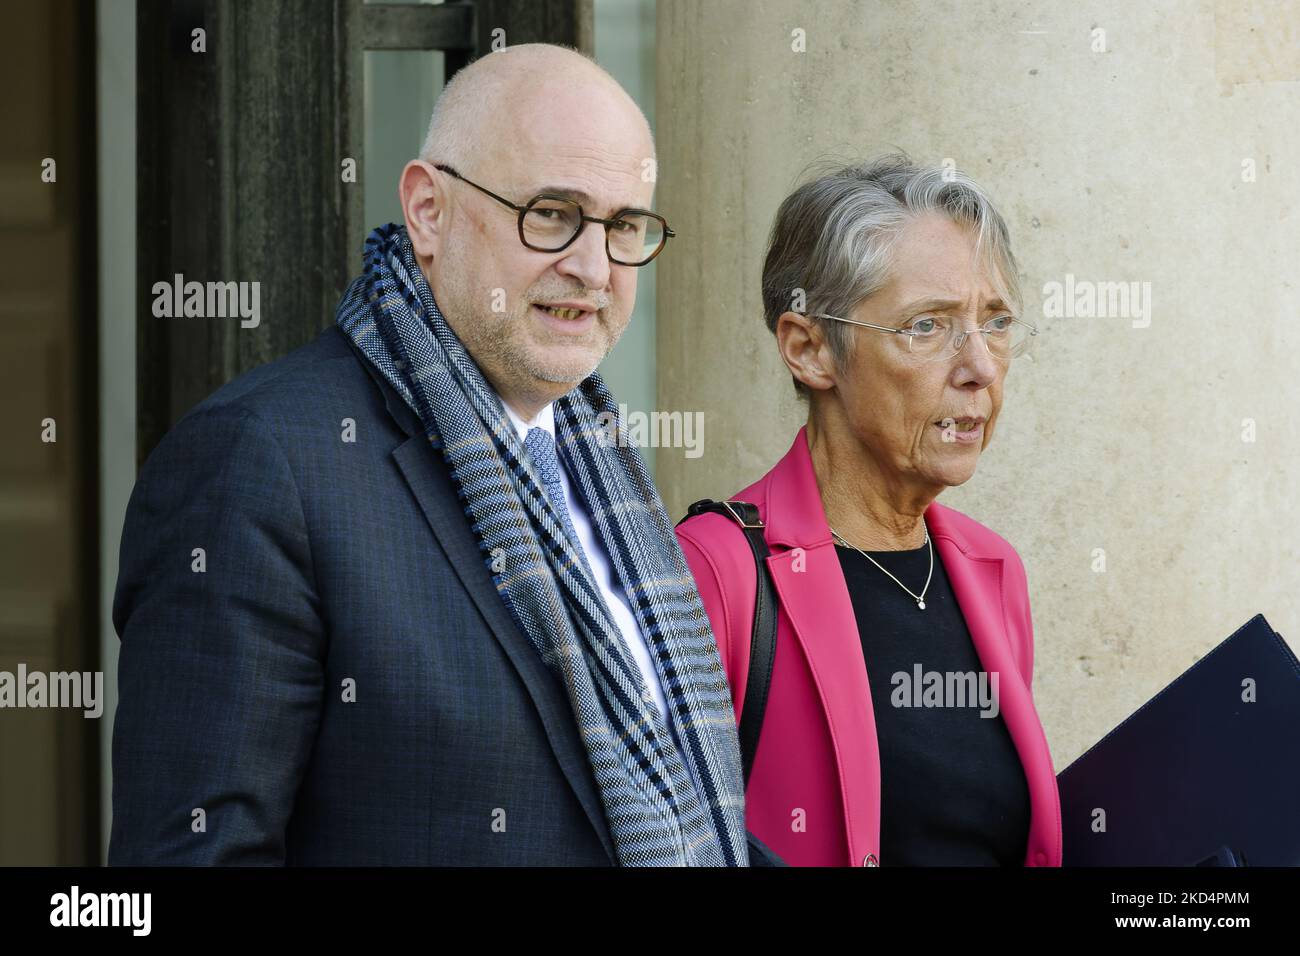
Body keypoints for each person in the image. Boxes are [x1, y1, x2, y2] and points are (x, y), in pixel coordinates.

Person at [110, 43, 780, 867]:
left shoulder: (602, 468)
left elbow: (670, 819)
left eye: (623, 226)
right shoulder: (260, 462)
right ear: (429, 210)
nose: (593, 267)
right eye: (552, 214)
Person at [676, 154, 1061, 867]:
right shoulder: (715, 573)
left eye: (996, 322)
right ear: (810, 349)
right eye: (927, 326)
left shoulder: (992, 570)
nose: (979, 365)